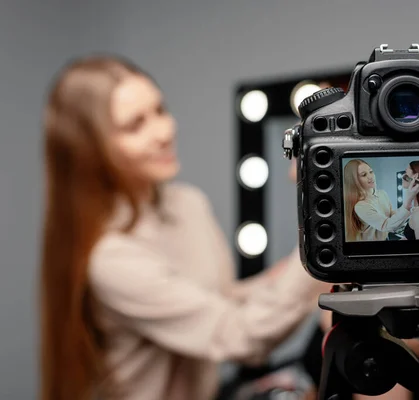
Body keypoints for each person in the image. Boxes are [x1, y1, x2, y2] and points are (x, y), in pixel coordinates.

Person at [39, 55, 330, 400]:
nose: (164, 131)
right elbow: (236, 335)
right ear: (90, 150)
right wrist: (323, 245)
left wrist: (299, 269)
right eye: (135, 125)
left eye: (159, 111)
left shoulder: (187, 203)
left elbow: (217, 301)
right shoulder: (111, 259)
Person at [344, 159, 419, 242]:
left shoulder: (382, 194)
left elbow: (391, 215)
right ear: (354, 181)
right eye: (364, 175)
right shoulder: (361, 206)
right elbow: (387, 226)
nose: (370, 176)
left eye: (371, 171)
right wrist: (408, 201)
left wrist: (412, 212)